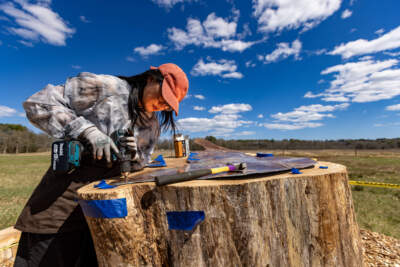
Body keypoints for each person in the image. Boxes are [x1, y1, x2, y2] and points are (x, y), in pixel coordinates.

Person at [13, 63, 189, 266]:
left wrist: (134, 157)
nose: (163, 105)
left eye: (169, 104)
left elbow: (143, 162)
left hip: (103, 211)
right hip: (64, 200)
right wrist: (87, 132)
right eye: (163, 96)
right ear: (151, 78)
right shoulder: (106, 88)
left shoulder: (152, 123)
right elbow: (38, 103)